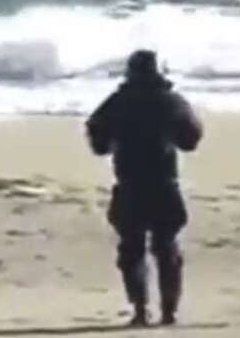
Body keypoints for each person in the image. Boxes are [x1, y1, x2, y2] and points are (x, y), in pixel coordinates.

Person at [85, 50, 203, 327]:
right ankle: (169, 312)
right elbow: (191, 139)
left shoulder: (117, 103)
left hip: (130, 185)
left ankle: (140, 311)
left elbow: (97, 143)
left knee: (131, 251)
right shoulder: (170, 101)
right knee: (167, 249)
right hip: (164, 184)